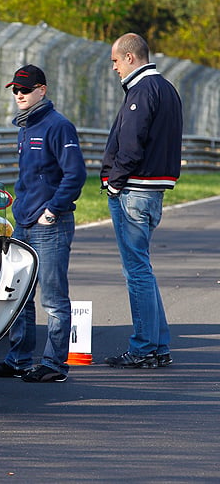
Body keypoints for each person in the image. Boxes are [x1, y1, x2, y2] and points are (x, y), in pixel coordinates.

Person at [0, 64, 86, 383]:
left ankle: (55, 363)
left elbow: (76, 174)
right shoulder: (25, 127)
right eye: (15, 89)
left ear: (42, 90)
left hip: (50, 224)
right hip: (25, 222)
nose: (19, 95)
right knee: (20, 295)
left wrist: (53, 209)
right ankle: (18, 358)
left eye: (25, 90)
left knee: (53, 298)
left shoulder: (58, 126)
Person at [101, 33, 182, 369]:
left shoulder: (142, 91)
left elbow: (131, 145)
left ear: (131, 57)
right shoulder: (168, 89)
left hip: (135, 190)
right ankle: (158, 345)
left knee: (136, 272)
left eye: (116, 61)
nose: (115, 68)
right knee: (143, 270)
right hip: (153, 190)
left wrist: (114, 183)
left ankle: (144, 346)